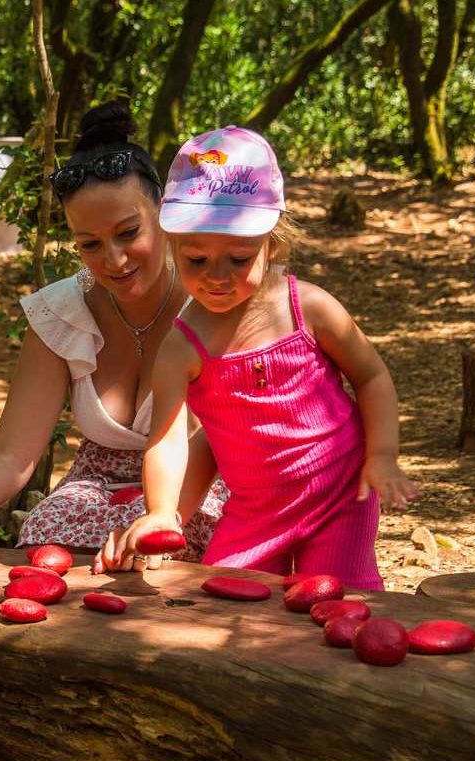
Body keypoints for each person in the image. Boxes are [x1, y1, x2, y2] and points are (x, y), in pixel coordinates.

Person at [0, 101, 227, 562]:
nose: (114, 260)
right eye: (89, 244)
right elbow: (10, 457)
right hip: (91, 498)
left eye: (128, 232)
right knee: (47, 538)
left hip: (194, 491)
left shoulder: (213, 300)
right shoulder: (61, 313)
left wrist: (162, 517)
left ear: (163, 210)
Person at [101, 126, 418, 588]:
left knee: (339, 604)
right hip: (255, 509)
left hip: (340, 495)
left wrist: (383, 455)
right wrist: (164, 512)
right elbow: (167, 439)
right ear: (171, 248)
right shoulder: (182, 347)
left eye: (238, 258)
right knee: (225, 601)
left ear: (276, 243)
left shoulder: (310, 308)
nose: (217, 277)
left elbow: (370, 377)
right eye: (196, 261)